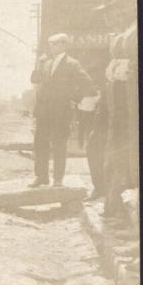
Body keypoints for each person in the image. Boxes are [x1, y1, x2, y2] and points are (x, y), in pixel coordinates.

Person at [29, 33, 94, 187]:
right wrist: (39, 64)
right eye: (50, 44)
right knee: (40, 144)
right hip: (43, 111)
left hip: (61, 112)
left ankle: (58, 179)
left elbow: (88, 84)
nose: (51, 47)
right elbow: (34, 80)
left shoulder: (72, 64)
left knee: (59, 145)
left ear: (64, 45)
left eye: (54, 44)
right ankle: (41, 177)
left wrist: (73, 99)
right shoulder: (46, 63)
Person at [99, 0, 138, 217]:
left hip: (132, 107)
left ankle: (134, 223)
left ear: (128, 8)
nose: (108, 16)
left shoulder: (136, 30)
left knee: (132, 159)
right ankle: (118, 212)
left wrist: (129, 67)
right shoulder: (122, 34)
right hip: (119, 107)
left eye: (113, 10)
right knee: (117, 156)